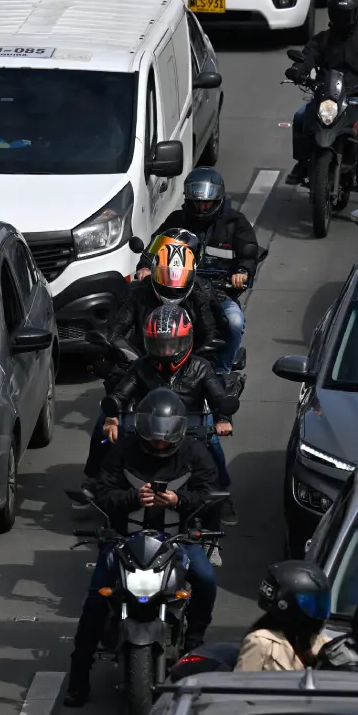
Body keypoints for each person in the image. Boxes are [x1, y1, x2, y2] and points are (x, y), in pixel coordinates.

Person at [66, 387, 223, 706]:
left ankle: (195, 636)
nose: (159, 444)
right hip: (124, 541)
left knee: (206, 580)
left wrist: (180, 501)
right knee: (97, 598)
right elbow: (101, 491)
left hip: (178, 540)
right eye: (153, 438)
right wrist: (131, 499)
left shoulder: (196, 453)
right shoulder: (122, 451)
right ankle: (78, 678)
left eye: (165, 438)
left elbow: (209, 496)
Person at [95, 305, 237, 504]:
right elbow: (121, 393)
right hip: (148, 426)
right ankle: (94, 481)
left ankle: (221, 490)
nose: (165, 351)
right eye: (159, 345)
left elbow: (218, 397)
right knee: (108, 438)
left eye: (172, 345)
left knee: (213, 447)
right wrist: (111, 417)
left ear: (186, 342)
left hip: (190, 427)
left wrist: (223, 418)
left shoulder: (201, 367)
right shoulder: (141, 366)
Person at [148, 167, 260, 372]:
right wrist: (145, 268)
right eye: (196, 204)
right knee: (148, 320)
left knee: (234, 322)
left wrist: (242, 272)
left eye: (206, 203)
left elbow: (249, 253)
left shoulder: (235, 223)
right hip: (177, 289)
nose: (201, 209)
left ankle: (222, 371)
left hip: (218, 292)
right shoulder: (176, 220)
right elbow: (154, 249)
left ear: (218, 201)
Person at [286, 0, 358, 195]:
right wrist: (298, 70)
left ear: (356, 13)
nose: (343, 19)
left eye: (347, 14)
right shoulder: (322, 39)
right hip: (325, 96)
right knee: (299, 118)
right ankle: (302, 164)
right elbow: (307, 59)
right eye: (339, 14)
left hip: (354, 98)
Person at [102, 239, 223, 370]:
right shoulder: (141, 291)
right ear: (153, 271)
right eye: (164, 275)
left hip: (188, 366)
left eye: (180, 278)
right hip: (146, 365)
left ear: (192, 276)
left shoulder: (200, 293)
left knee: (217, 380)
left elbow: (210, 332)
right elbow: (118, 327)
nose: (172, 287)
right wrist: (115, 352)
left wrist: (198, 363)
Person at [237, 560, 332, 671]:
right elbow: (242, 684)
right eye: (309, 603)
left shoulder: (325, 644)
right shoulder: (261, 643)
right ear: (285, 603)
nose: (318, 610)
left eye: (321, 602)